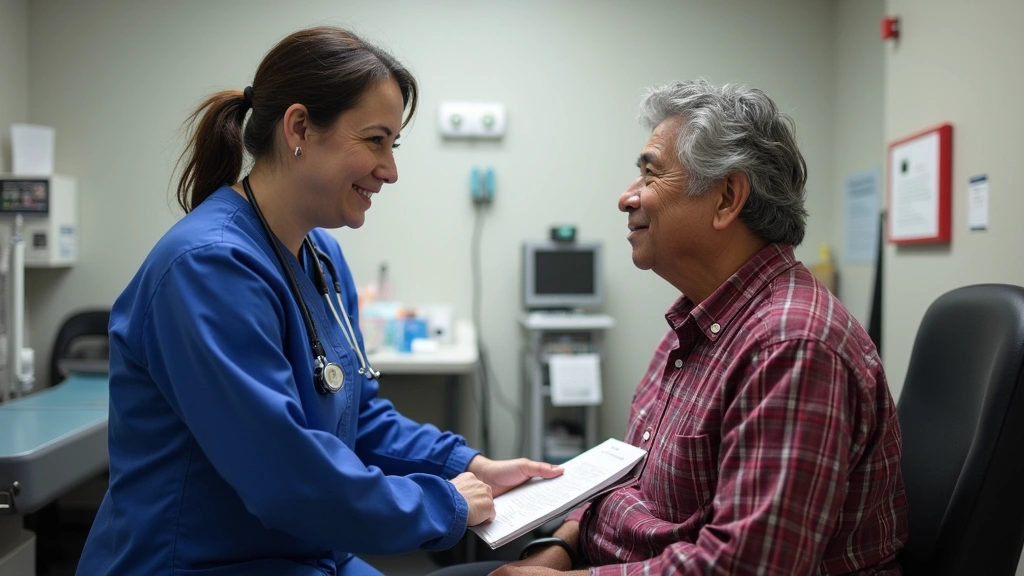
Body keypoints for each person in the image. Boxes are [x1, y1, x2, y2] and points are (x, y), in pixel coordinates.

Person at [75, 26, 561, 576]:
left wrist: (468, 463)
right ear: (299, 127)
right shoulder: (208, 268)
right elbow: (284, 476)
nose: (391, 170)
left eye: (392, 146)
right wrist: (443, 503)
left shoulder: (320, 257)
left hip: (303, 555)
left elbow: (360, 417)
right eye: (375, 140)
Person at [437, 79, 908, 576]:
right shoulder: (698, 318)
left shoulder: (792, 347)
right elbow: (625, 481)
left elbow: (748, 567)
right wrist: (557, 550)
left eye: (650, 175)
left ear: (727, 199)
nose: (626, 197)